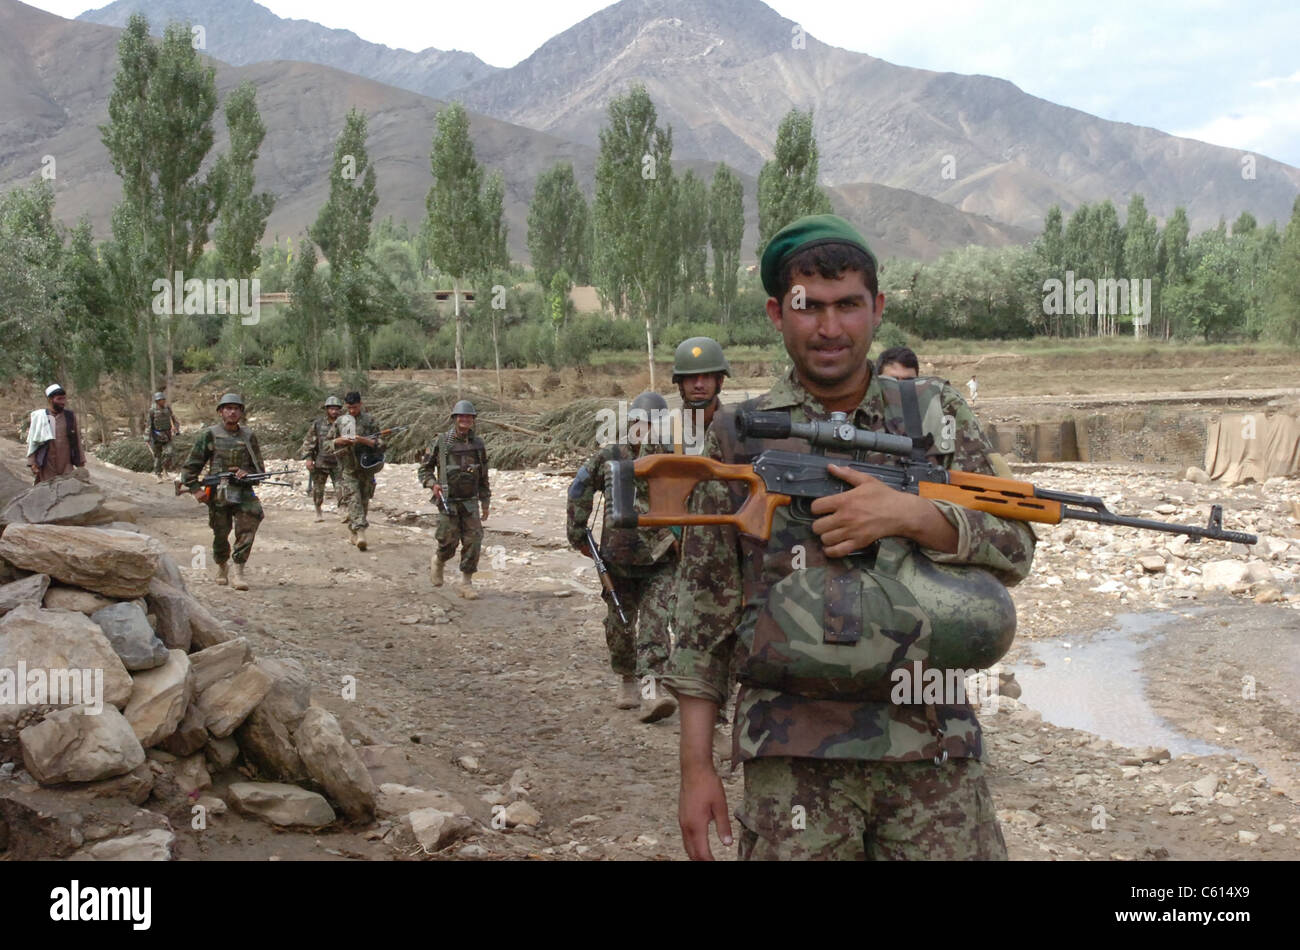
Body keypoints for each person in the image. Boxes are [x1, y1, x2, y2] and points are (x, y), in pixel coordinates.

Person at [662, 214, 1035, 861]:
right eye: (810, 308)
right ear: (778, 314)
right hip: (793, 752)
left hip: (932, 744)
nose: (830, 327)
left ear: (877, 308)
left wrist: (911, 516)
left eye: (848, 306)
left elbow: (1016, 544)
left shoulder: (933, 415)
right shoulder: (737, 435)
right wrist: (697, 770)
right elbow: (703, 613)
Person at [566, 391, 678, 723]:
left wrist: (684, 539)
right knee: (619, 625)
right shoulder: (610, 457)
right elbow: (580, 489)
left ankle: (651, 691)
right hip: (617, 557)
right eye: (640, 423)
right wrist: (577, 532)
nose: (645, 430)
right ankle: (626, 677)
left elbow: (692, 500)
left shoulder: (673, 458)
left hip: (660, 558)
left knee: (656, 624)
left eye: (652, 423)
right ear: (631, 423)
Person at [181, 393, 265, 591]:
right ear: (220, 412)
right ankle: (221, 565)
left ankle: (238, 570)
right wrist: (195, 490)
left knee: (250, 522)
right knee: (220, 533)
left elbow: (259, 469)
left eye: (236, 408)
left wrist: (248, 472)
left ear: (241, 413)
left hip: (243, 491)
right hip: (219, 492)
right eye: (228, 408)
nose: (232, 411)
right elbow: (191, 465)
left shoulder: (248, 436)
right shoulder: (210, 434)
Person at [418, 400, 491, 600]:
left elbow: (483, 475)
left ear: (473, 420)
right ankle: (439, 560)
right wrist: (432, 483)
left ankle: (466, 583)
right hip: (447, 500)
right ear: (454, 419)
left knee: (474, 541)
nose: (465, 420)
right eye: (461, 417)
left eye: (469, 417)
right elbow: (424, 469)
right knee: (448, 542)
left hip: (470, 500)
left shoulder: (477, 444)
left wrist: (485, 501)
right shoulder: (442, 442)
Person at [330, 391, 383, 551]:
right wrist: (338, 441)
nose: (352, 410)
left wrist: (363, 440)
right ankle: (361, 532)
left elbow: (381, 443)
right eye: (349, 407)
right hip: (348, 468)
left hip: (366, 468)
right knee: (353, 498)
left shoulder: (370, 420)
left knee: (364, 500)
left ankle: (353, 532)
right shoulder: (340, 422)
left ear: (361, 404)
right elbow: (327, 443)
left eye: (355, 407)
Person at [671, 337, 729, 454]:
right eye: (691, 377)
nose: (699, 385)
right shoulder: (661, 435)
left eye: (707, 376)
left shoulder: (737, 429)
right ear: (680, 382)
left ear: (720, 381)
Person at [26, 384, 85, 484]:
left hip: (66, 462)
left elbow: (76, 439)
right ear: (50, 400)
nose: (63, 402)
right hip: (47, 463)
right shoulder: (41, 417)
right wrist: (32, 462)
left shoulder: (69, 416)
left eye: (64, 399)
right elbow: (33, 441)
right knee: (48, 491)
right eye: (59, 399)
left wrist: (81, 460)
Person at [300, 395, 343, 522]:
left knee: (342, 489)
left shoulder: (344, 424)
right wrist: (308, 458)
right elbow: (309, 441)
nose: (334, 411)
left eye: (336, 409)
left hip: (339, 462)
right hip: (321, 462)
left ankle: (343, 512)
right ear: (326, 409)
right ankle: (318, 512)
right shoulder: (318, 424)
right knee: (318, 490)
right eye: (331, 409)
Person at [145, 392, 180, 482]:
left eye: (163, 399)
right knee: (157, 456)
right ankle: (158, 474)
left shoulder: (167, 408)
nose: (163, 401)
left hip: (167, 435)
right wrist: (147, 437)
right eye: (161, 400)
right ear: (157, 401)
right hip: (156, 436)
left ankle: (165, 470)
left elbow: (174, 419)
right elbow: (148, 424)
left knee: (170, 452)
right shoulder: (152, 410)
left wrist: (176, 428)